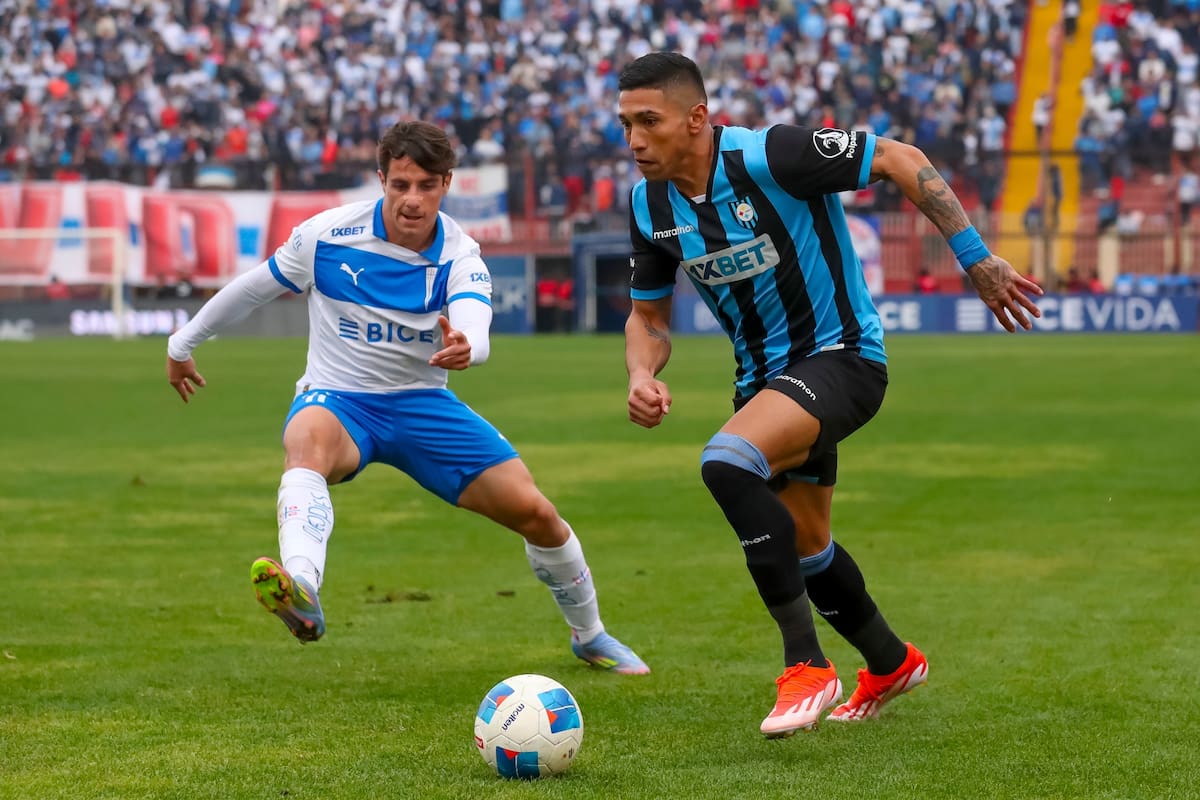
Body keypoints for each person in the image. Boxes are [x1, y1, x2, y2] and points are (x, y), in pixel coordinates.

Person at [617, 52, 1042, 737]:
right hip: (764, 384)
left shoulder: (772, 156)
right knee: (807, 545)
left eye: (648, 121)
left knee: (726, 463)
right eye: (625, 124)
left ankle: (805, 666)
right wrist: (641, 374)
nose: (634, 140)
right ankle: (890, 661)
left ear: (696, 118)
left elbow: (900, 158)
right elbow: (649, 318)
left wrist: (976, 258)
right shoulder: (649, 205)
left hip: (841, 358)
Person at [165, 121, 649, 674]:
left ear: (446, 184)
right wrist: (183, 342)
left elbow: (475, 319)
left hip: (421, 404)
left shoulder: (460, 254)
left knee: (537, 515)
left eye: (424, 185)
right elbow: (255, 286)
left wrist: (470, 345)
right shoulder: (325, 236)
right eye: (399, 185)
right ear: (381, 180)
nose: (411, 200)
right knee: (305, 446)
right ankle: (301, 586)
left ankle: (590, 635)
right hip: (339, 399)